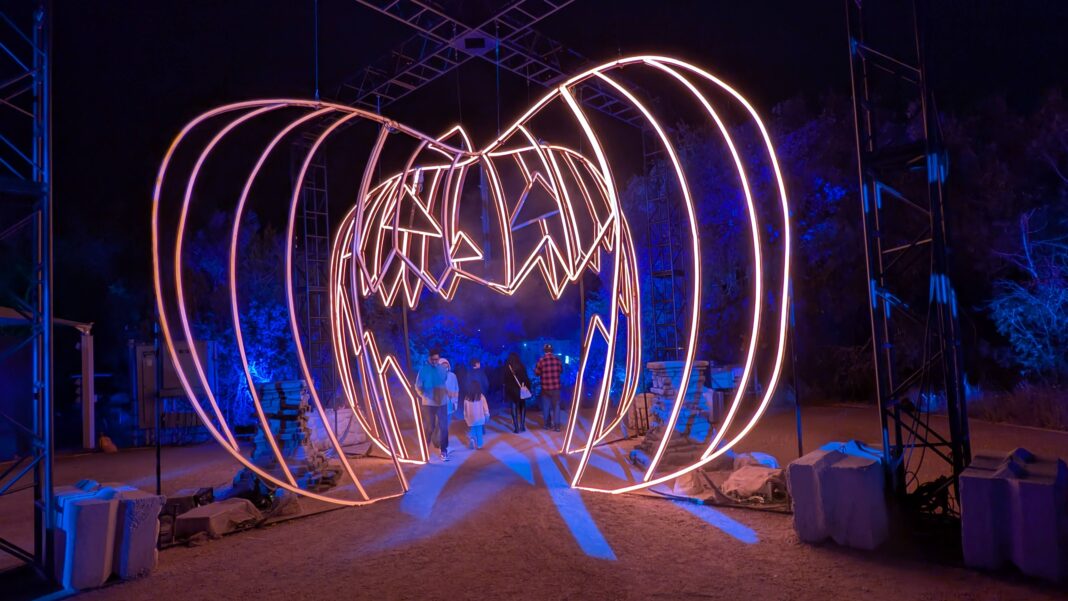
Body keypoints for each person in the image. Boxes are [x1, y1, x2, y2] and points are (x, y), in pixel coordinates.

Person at [415, 347, 450, 461]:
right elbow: (418, 386)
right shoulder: (423, 370)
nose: (435, 361)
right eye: (433, 359)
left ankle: (444, 450)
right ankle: (425, 449)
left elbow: (444, 381)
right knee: (430, 427)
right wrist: (424, 396)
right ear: (429, 358)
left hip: (442, 402)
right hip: (429, 404)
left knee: (444, 427)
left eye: (437, 359)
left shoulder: (442, 369)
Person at [535, 343, 564, 431]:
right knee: (556, 407)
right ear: (552, 350)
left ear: (544, 350)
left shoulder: (541, 360)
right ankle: (557, 426)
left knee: (546, 407)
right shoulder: (557, 360)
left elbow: (537, 373)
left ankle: (547, 425)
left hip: (545, 388)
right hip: (556, 388)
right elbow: (561, 371)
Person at [463, 366, 491, 449]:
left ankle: (472, 439)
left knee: (472, 429)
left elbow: (465, 409)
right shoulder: (481, 396)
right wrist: (487, 415)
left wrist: (465, 417)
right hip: (479, 417)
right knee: (479, 431)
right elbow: (485, 407)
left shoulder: (467, 398)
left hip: (471, 417)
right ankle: (479, 445)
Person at [503, 352, 531, 433]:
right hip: (521, 389)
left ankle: (516, 428)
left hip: (511, 390)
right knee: (522, 406)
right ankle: (522, 425)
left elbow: (504, 379)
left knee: (513, 407)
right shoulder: (521, 366)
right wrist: (526, 386)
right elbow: (526, 378)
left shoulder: (507, 367)